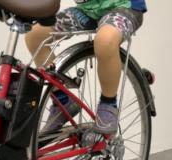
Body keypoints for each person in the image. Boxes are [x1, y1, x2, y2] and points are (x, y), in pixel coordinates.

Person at [25, 0, 147, 134]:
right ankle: (62, 102)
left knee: (105, 40)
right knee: (34, 35)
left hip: (124, 6)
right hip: (88, 11)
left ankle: (109, 103)